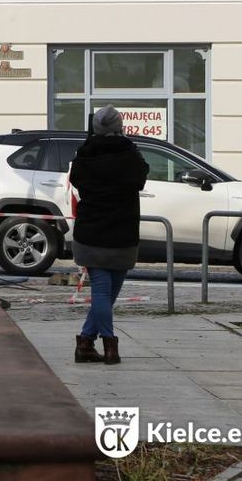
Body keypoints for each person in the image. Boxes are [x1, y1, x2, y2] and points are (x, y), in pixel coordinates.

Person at [69, 105, 148, 366]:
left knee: (105, 292)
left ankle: (86, 342)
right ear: (118, 126)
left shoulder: (84, 154)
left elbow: (77, 181)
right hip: (123, 231)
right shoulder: (129, 153)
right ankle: (109, 345)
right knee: (109, 291)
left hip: (90, 231)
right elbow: (141, 178)